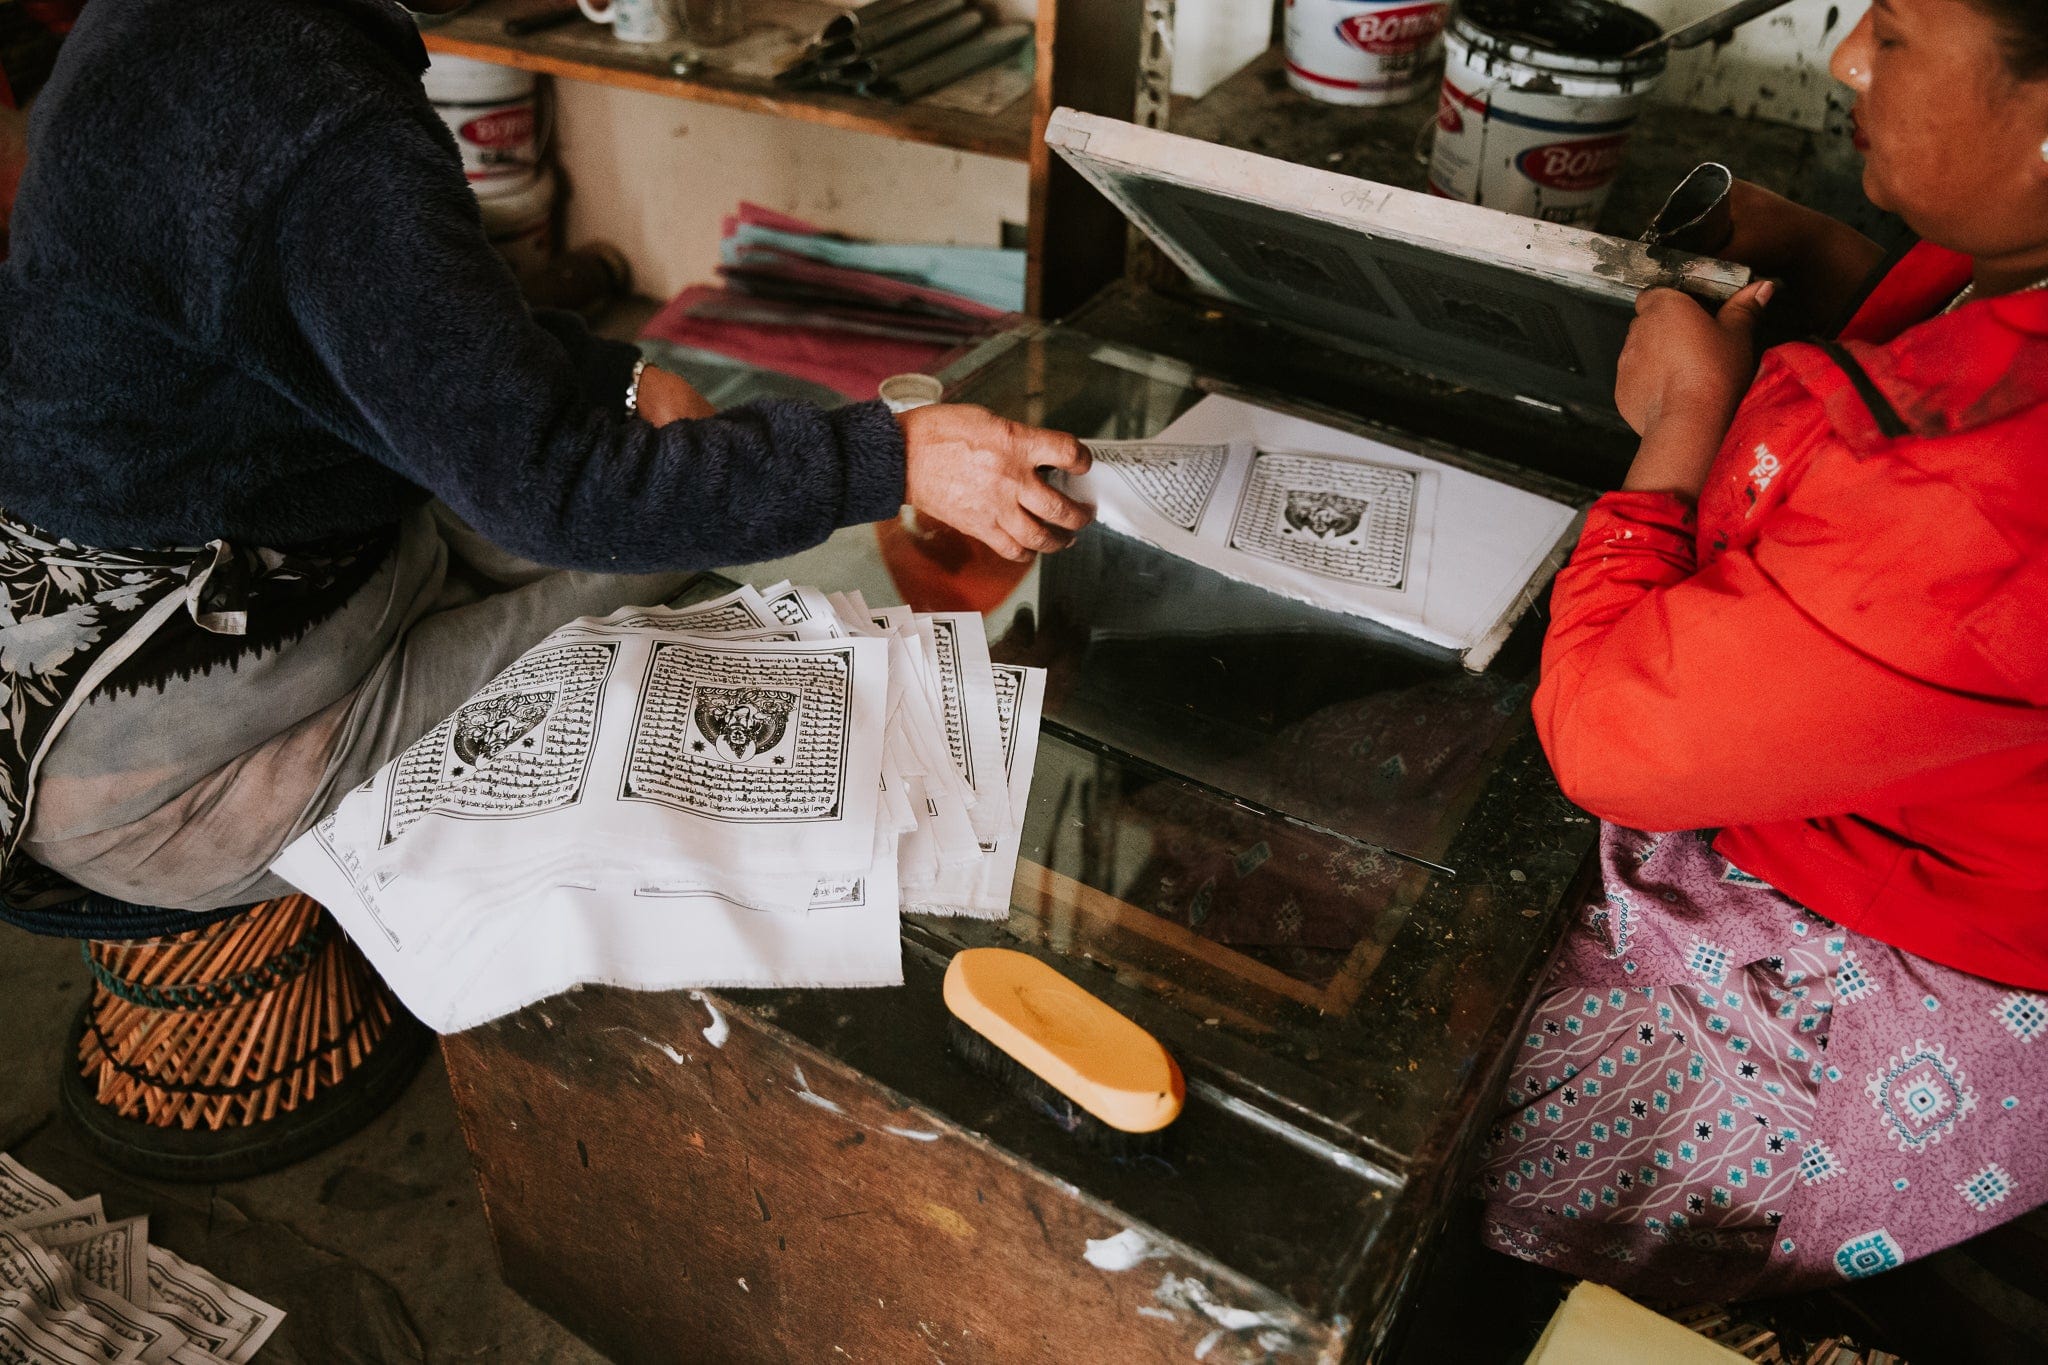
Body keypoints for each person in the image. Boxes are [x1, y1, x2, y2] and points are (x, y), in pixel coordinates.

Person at [0, 0, 1092, 918]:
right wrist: (891, 459)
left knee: (682, 492)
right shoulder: (314, 126)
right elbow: (557, 489)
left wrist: (613, 374)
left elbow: (394, 309)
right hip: (173, 747)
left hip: (263, 552)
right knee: (661, 580)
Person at [1478, 0, 2048, 1302]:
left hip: (1903, 965)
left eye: (1889, 33)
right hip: (1859, 792)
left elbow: (1607, 743)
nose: (1843, 58)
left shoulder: (1990, 502)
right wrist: (1839, 272)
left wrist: (1680, 418)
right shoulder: (2012, 255)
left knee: (1431, 1110)